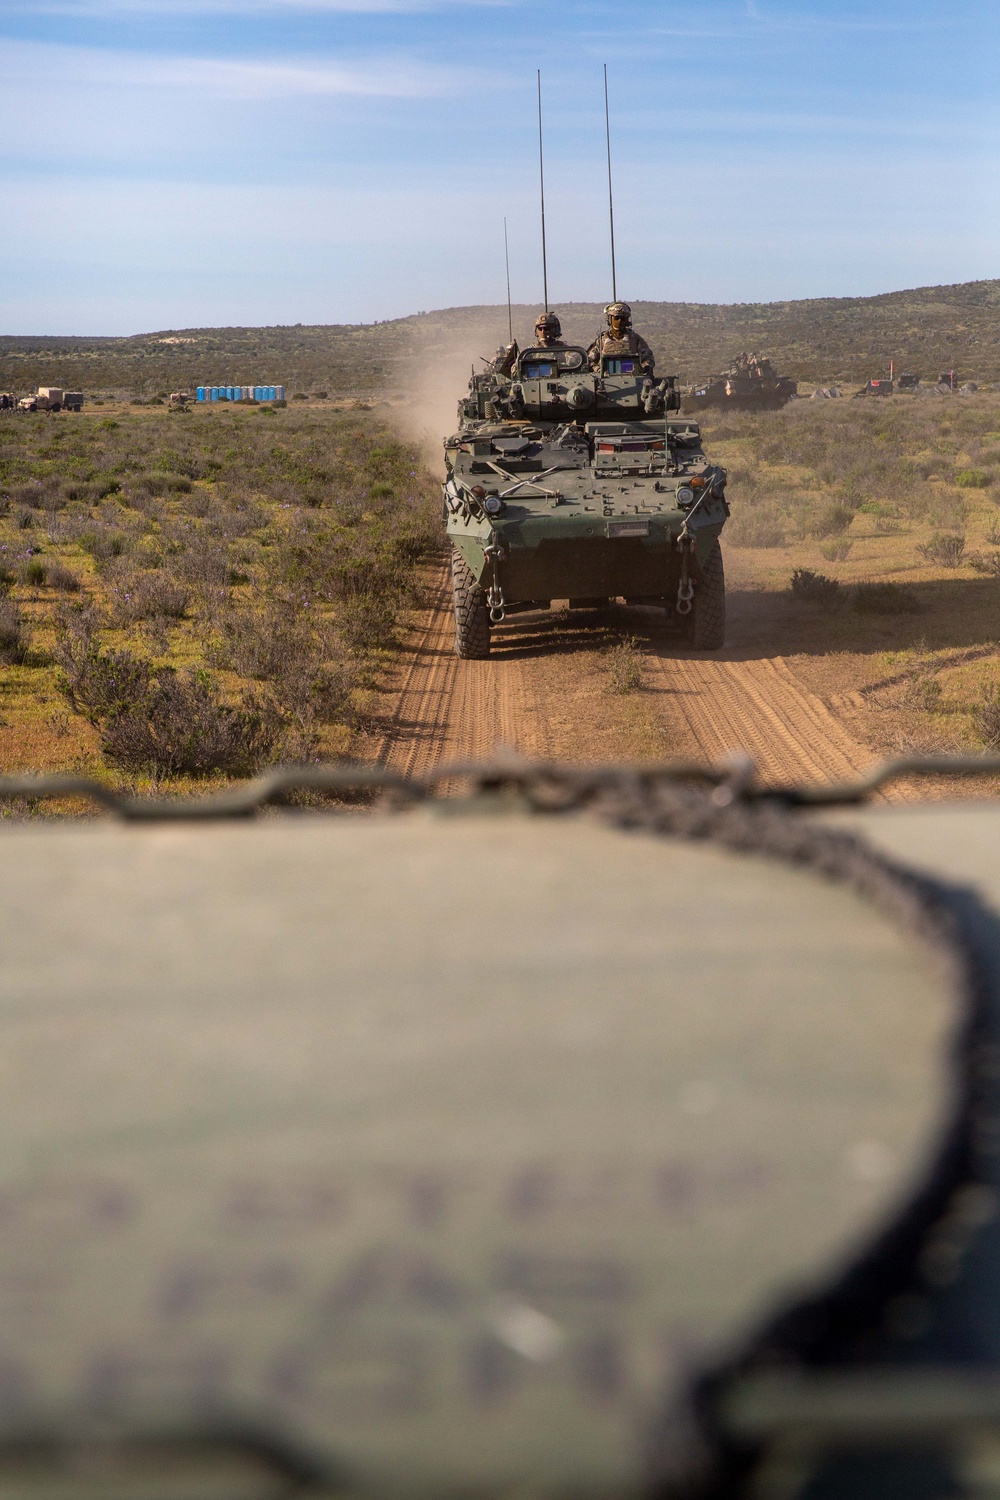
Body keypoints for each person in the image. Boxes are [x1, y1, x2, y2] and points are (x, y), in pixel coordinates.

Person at [587, 303, 655, 374]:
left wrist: (643, 368)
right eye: (616, 318)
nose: (619, 321)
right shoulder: (601, 341)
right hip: (605, 379)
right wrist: (597, 369)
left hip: (632, 378)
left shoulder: (635, 339)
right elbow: (589, 360)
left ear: (627, 320)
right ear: (610, 318)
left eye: (623, 318)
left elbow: (648, 358)